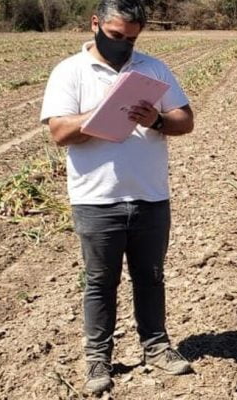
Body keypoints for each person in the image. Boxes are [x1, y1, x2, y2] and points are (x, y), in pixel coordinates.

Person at [39, 0, 194, 394]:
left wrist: (155, 119)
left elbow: (185, 119)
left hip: (150, 195)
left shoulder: (153, 69)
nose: (124, 45)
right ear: (95, 23)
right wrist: (105, 112)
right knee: (99, 282)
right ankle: (98, 359)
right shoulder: (70, 71)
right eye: (115, 36)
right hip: (96, 200)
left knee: (151, 277)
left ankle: (156, 346)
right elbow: (59, 132)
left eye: (131, 39)